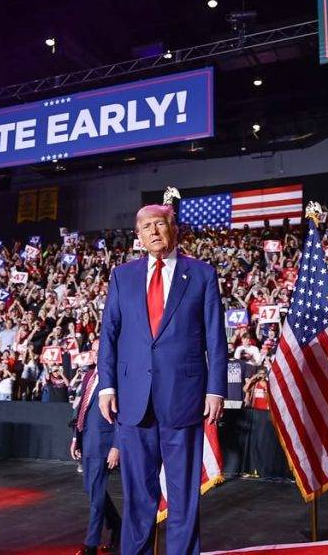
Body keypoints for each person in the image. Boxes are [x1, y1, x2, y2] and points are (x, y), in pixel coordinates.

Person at [98, 203, 227, 555]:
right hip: (133, 401)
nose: (153, 231)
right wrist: (106, 386)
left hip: (184, 398)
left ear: (174, 228)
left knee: (184, 496)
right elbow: (109, 333)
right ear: (138, 236)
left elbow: (216, 338)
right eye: (145, 227)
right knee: (138, 496)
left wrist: (216, 389)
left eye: (159, 224)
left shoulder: (201, 274)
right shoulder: (121, 276)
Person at [71, 363, 121, 555]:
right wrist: (76, 438)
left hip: (105, 443)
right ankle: (116, 524)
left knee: (97, 493)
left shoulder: (115, 377)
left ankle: (91, 544)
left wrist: (116, 446)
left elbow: (120, 415)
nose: (96, 354)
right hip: (87, 440)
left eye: (99, 349)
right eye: (93, 350)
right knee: (90, 488)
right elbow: (81, 408)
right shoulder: (89, 376)